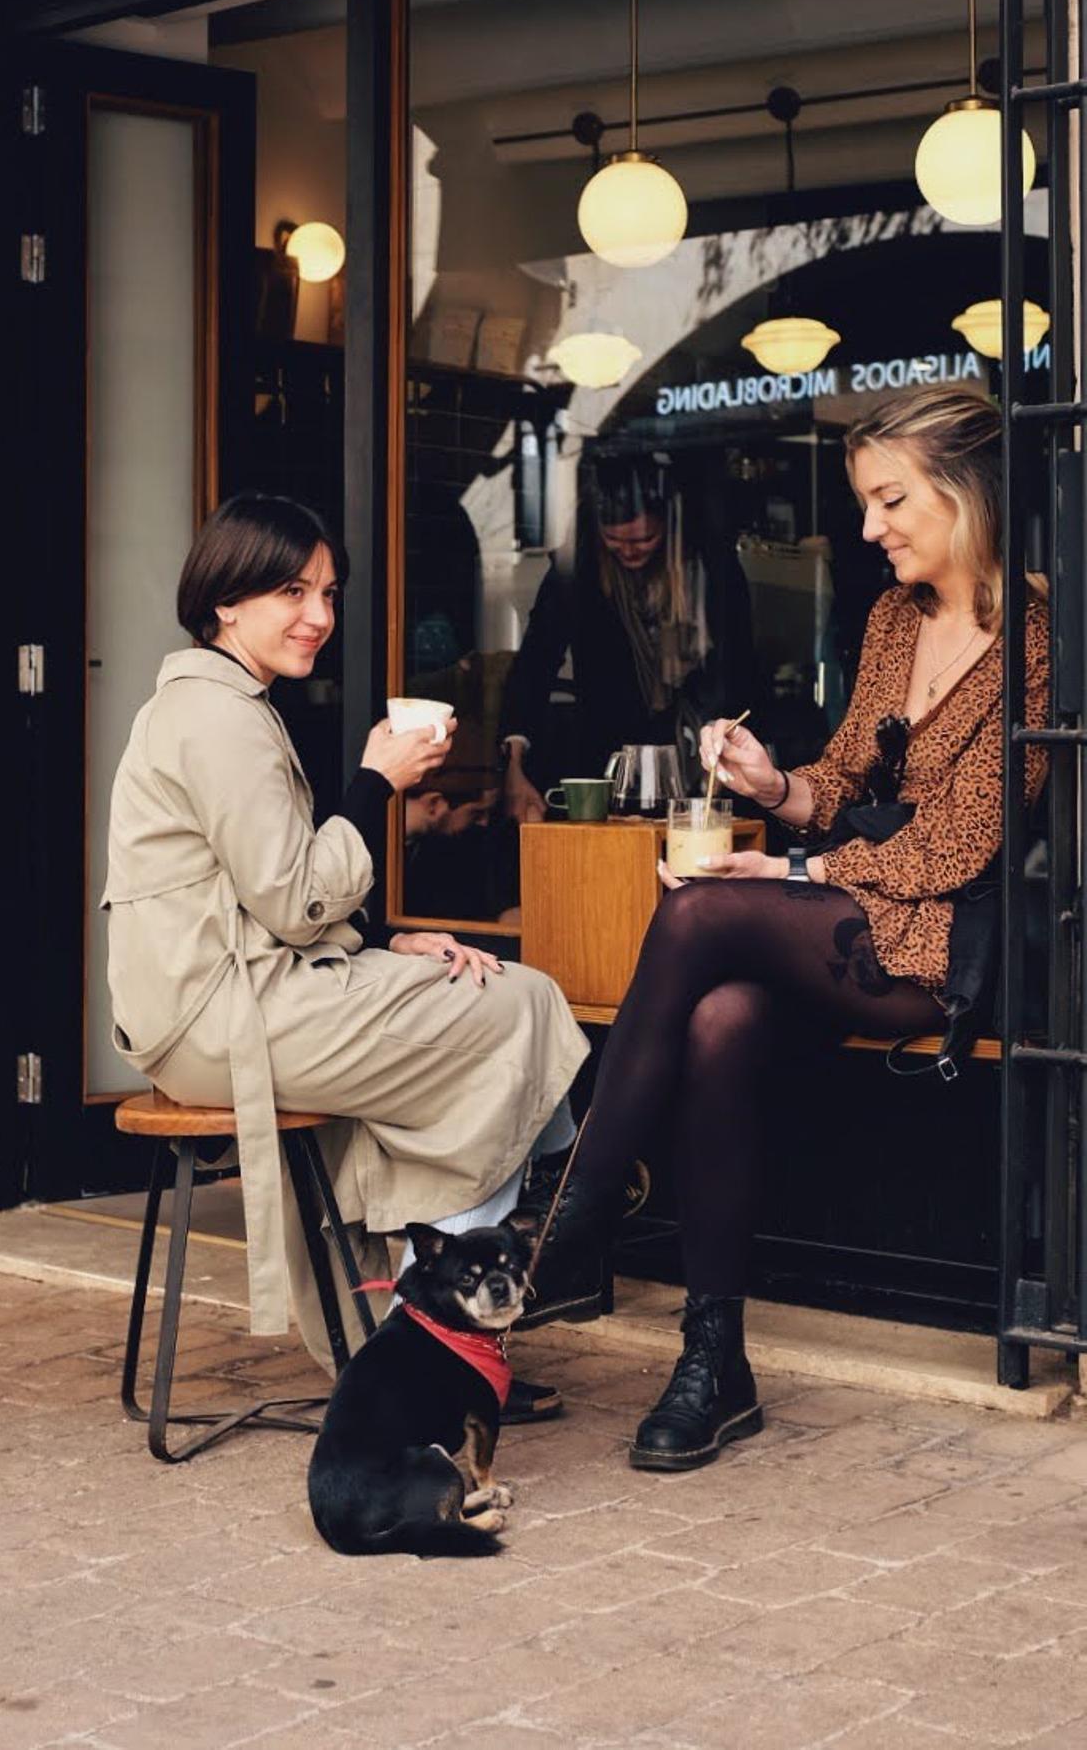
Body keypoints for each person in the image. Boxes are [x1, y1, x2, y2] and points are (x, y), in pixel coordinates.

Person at [527, 386, 1048, 1470]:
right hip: (860, 915)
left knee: (706, 903)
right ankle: (714, 1361)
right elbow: (843, 778)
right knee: (718, 1016)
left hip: (958, 946)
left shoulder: (1042, 638)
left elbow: (963, 850)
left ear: (968, 492)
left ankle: (572, 1220)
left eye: (889, 500)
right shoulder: (894, 619)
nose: (869, 529)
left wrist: (798, 864)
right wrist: (775, 784)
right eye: (865, 504)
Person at [102, 493, 589, 1390]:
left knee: (482, 999)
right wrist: (376, 782)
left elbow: (261, 891)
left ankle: (418, 1332)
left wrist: (392, 938)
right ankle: (477, 1294)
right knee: (515, 1001)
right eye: (293, 592)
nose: (320, 616)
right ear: (226, 601)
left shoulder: (218, 703)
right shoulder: (218, 716)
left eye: (328, 592)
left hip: (223, 1001)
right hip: (226, 1016)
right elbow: (292, 900)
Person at [499, 452, 757, 820]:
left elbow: (737, 663)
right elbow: (536, 659)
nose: (629, 551)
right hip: (607, 745)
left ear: (667, 528)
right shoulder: (582, 568)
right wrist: (515, 762)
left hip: (698, 747)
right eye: (614, 541)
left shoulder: (705, 569)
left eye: (644, 539)